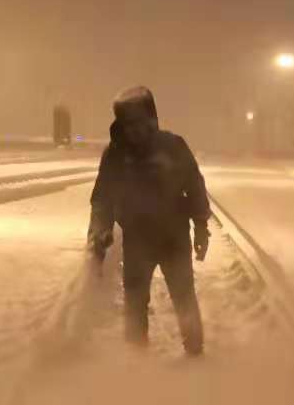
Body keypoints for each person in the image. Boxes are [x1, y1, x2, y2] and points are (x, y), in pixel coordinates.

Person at [87, 87, 210, 355]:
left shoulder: (173, 147)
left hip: (174, 237)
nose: (134, 130)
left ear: (152, 119)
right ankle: (136, 357)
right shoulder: (115, 155)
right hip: (137, 239)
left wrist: (201, 227)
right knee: (134, 299)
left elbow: (195, 186)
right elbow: (102, 198)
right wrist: (99, 232)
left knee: (183, 295)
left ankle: (195, 352)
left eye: (139, 122)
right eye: (128, 124)